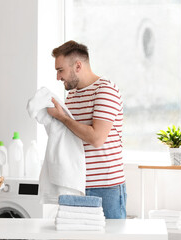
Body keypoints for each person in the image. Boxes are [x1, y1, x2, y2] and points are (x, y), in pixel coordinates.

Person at [47, 40, 127, 219]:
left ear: (77, 66)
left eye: (60, 70)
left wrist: (62, 118)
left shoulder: (106, 90)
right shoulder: (72, 96)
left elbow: (96, 138)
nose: (58, 77)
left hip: (106, 188)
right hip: (77, 184)